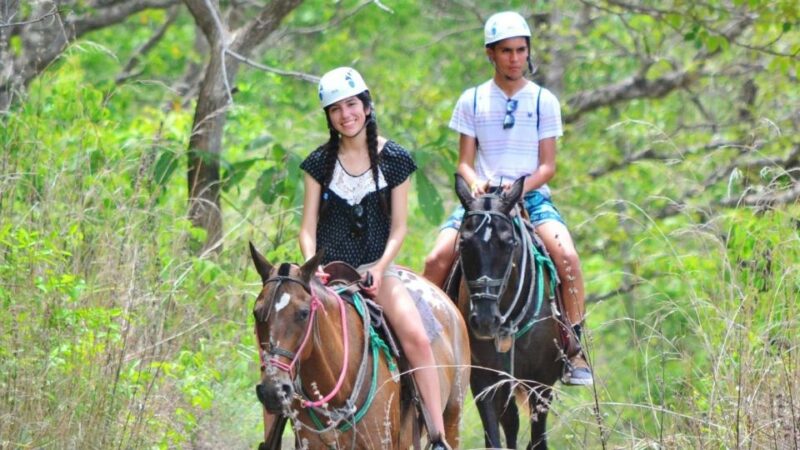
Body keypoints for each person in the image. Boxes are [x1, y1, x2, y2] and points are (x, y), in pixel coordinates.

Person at [422, 11, 593, 386]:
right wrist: (479, 184)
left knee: (567, 257)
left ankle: (573, 348)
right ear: (491, 54)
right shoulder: (472, 99)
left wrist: (517, 189)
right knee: (436, 258)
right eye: (506, 51)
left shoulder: (543, 100)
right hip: (482, 201)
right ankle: (428, 345)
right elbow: (464, 163)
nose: (515, 58)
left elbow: (547, 167)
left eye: (520, 50)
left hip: (529, 198)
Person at [296, 66, 451, 448]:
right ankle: (273, 434)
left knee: (415, 334)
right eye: (335, 109)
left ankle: (436, 433)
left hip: (374, 270)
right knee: (286, 337)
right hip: (327, 273)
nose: (345, 114)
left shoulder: (395, 158)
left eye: (351, 104)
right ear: (329, 117)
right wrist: (312, 271)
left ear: (365, 106)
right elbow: (306, 228)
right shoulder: (318, 164)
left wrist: (381, 270)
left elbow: (399, 228)